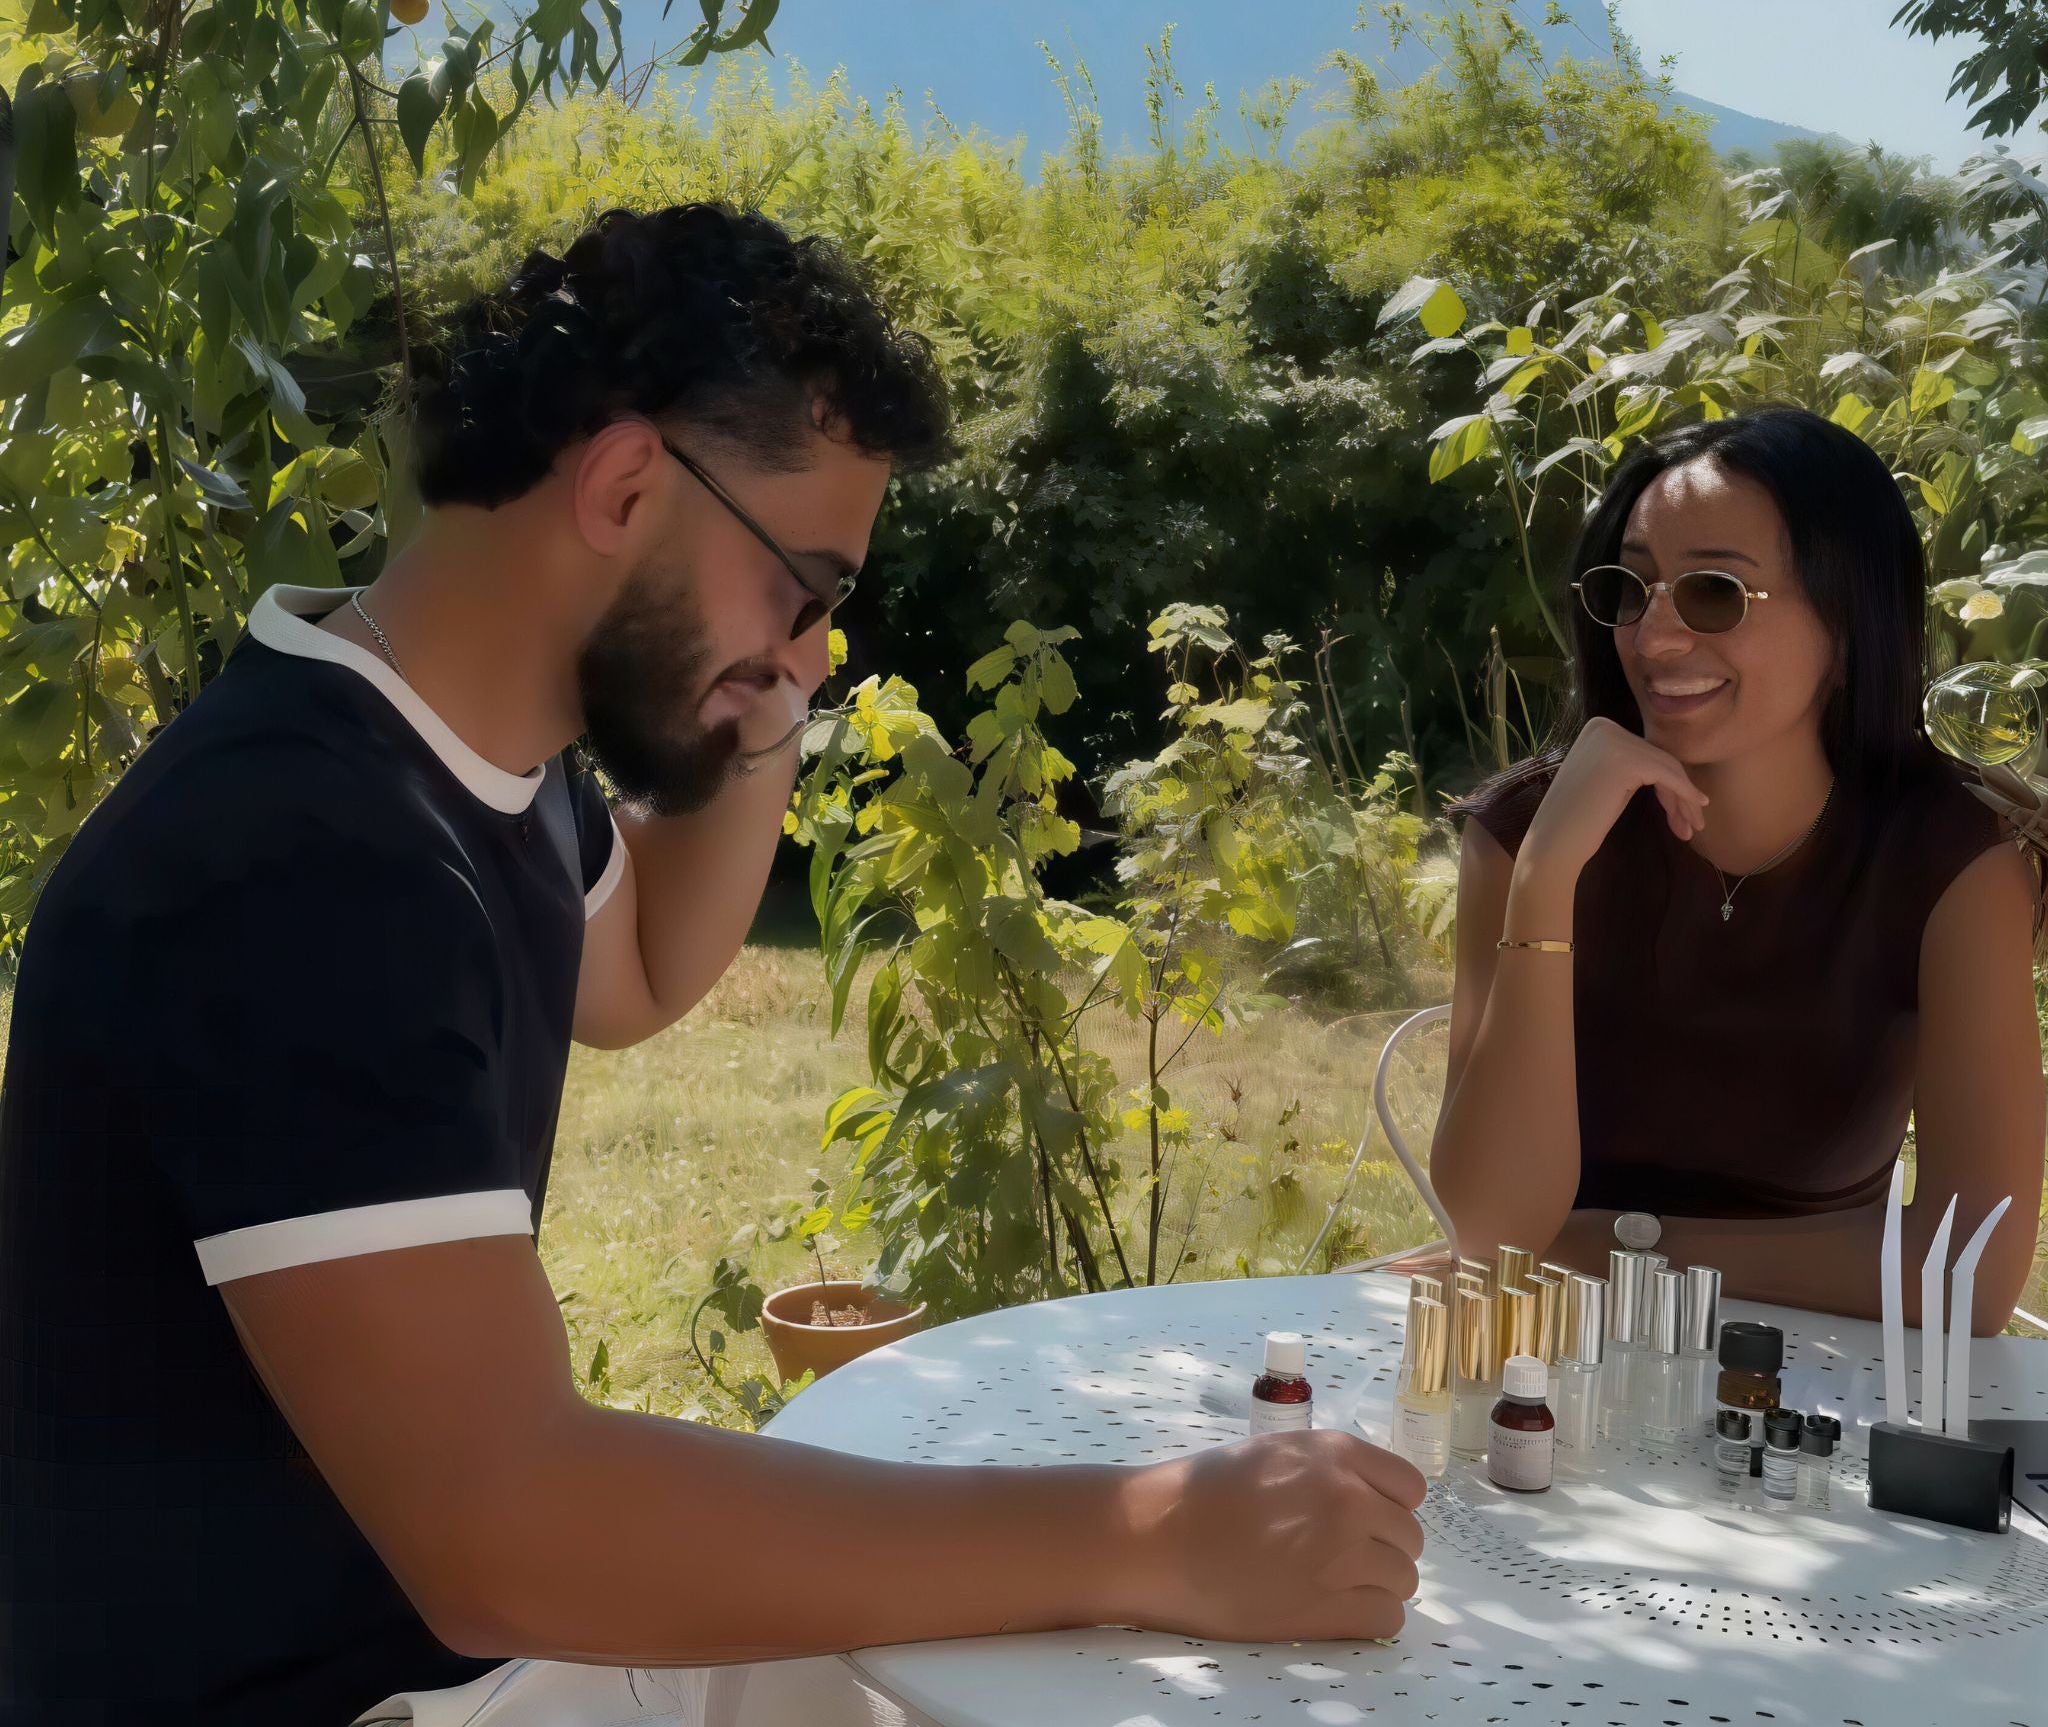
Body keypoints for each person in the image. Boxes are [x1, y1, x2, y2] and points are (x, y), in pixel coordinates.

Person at [0, 204, 1425, 1727]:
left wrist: (758, 684)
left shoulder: (468, 758)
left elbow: (642, 967)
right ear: (622, 483)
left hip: (430, 1649)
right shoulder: (304, 862)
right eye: (806, 590)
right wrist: (1163, 1532)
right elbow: (512, 1529)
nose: (818, 657)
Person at [1435, 406, 2044, 1327]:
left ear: (1847, 620)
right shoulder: (1527, 834)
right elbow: (1488, 1228)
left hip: (1821, 1392)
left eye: (1715, 592)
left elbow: (1970, 1271)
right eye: (1631, 590)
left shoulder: (1957, 858)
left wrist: (1601, 1243)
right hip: (1546, 1364)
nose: (1653, 638)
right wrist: (1548, 875)